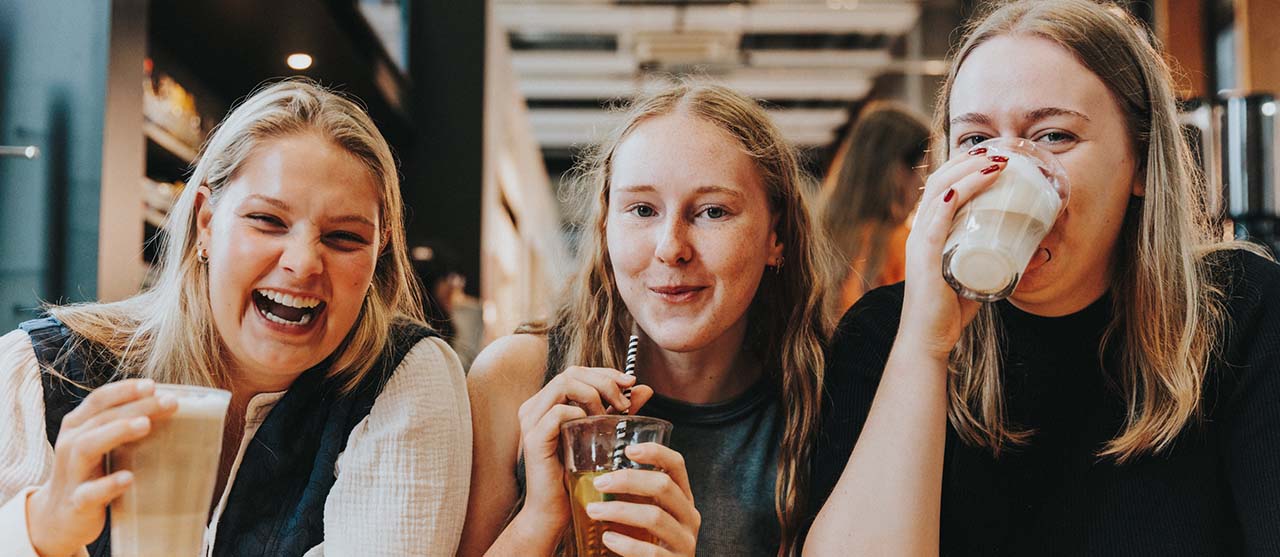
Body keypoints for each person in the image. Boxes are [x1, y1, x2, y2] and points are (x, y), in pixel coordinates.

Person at [804, 1, 1280, 555]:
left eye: (1054, 136)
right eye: (976, 142)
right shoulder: (885, 333)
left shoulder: (1238, 309)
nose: (1009, 169)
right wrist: (925, 347)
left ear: (1143, 164)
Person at [0, 79, 472, 556]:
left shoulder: (404, 378)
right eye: (267, 221)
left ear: (379, 252)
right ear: (206, 223)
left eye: (344, 237)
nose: (303, 262)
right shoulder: (39, 372)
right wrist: (42, 532)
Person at [461, 82, 835, 557]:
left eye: (712, 211)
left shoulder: (827, 402)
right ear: (605, 226)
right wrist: (538, 521)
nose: (670, 247)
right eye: (642, 210)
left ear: (775, 238)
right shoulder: (515, 381)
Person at [817, 101, 931, 315]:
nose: (924, 186)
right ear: (899, 173)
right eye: (924, 170)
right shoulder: (903, 245)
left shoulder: (814, 238)